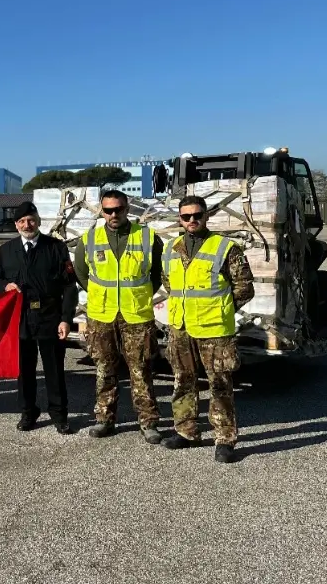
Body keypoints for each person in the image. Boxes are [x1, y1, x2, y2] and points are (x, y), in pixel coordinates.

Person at [160, 196, 255, 463]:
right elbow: (168, 284)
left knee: (220, 385)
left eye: (197, 215)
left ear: (206, 216)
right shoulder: (170, 248)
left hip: (214, 330)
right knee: (182, 382)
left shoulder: (226, 248)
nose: (192, 220)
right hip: (180, 327)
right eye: (186, 216)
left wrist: (221, 309)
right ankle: (186, 431)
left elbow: (244, 288)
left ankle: (225, 439)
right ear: (179, 219)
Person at [72, 189, 165, 443]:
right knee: (104, 369)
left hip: (136, 315)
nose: (114, 214)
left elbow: (157, 274)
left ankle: (148, 422)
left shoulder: (146, 237)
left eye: (118, 209)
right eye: (108, 210)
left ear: (127, 209)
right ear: (102, 211)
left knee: (141, 369)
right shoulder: (89, 239)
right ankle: (104, 419)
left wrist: (138, 295)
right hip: (102, 316)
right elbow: (82, 274)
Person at [0, 202, 78, 435]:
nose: (26, 225)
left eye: (30, 220)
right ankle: (28, 412)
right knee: (24, 370)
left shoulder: (55, 247)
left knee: (54, 370)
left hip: (50, 316)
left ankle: (59, 415)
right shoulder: (6, 250)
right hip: (20, 319)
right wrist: (4, 285)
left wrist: (66, 318)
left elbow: (69, 286)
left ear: (38, 221)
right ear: (16, 225)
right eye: (21, 221)